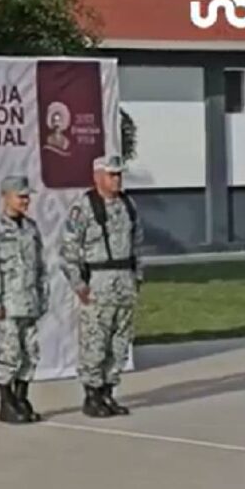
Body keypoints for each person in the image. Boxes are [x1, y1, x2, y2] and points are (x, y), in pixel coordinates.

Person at [59, 155, 144, 418]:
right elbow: (68, 250)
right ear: (97, 177)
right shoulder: (84, 208)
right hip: (98, 283)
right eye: (111, 175)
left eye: (119, 174)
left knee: (120, 342)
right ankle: (92, 395)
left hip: (124, 283)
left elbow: (137, 244)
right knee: (95, 341)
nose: (117, 179)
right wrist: (78, 284)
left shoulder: (128, 205)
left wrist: (138, 276)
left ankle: (108, 391)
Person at [0, 174, 49, 424]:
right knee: (9, 354)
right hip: (8, 304)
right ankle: (6, 403)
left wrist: (43, 296)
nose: (26, 201)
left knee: (30, 353)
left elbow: (40, 265)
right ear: (6, 197)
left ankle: (22, 398)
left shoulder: (31, 228)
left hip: (29, 301)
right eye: (21, 196)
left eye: (27, 196)